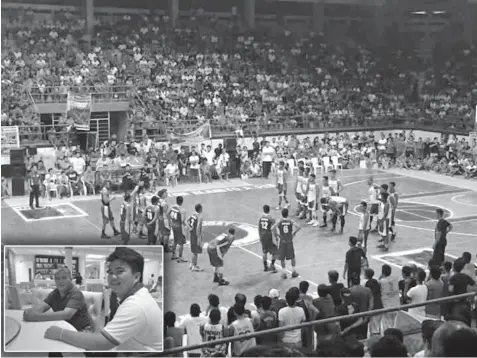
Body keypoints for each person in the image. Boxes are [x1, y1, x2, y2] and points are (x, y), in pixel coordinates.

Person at [45, 248, 163, 351]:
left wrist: (60, 333)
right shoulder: (135, 297)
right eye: (110, 272)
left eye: (120, 271)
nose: (112, 277)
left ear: (136, 277)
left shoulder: (136, 305)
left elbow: (102, 343)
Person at [24, 266, 92, 332]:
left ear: (71, 279)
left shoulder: (76, 294)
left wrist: (36, 317)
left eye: (64, 278)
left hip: (82, 331)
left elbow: (66, 315)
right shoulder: (54, 294)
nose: (60, 281)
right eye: (57, 278)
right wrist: (32, 312)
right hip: (64, 329)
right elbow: (41, 308)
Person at [272, 208, 301, 279]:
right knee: (292, 257)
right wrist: (294, 233)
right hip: (289, 241)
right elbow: (298, 227)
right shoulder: (290, 221)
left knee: (282, 258)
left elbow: (272, 228)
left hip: (282, 242)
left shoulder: (280, 221)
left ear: (282, 214)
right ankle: (294, 272)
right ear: (287, 214)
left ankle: (284, 273)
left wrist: (277, 234)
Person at [168, 196, 188, 263]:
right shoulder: (182, 210)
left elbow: (167, 214)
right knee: (181, 242)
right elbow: (182, 220)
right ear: (182, 201)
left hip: (173, 225)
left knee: (175, 240)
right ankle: (180, 258)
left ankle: (173, 255)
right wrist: (186, 225)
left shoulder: (172, 207)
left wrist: (172, 220)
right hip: (179, 226)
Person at [258, 205, 277, 272]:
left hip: (262, 236)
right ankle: (272, 265)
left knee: (264, 252)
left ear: (263, 210)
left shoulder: (260, 218)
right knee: (275, 251)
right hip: (269, 236)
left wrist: (260, 236)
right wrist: (276, 236)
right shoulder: (271, 218)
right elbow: (273, 228)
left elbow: (259, 228)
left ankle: (265, 267)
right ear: (269, 210)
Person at [188, 203, 204, 271]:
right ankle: (194, 266)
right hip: (196, 235)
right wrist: (198, 237)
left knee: (194, 251)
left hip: (192, 234)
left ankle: (192, 264)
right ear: (200, 209)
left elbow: (186, 221)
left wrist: (189, 228)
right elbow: (197, 228)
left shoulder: (192, 214)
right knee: (196, 251)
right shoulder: (200, 217)